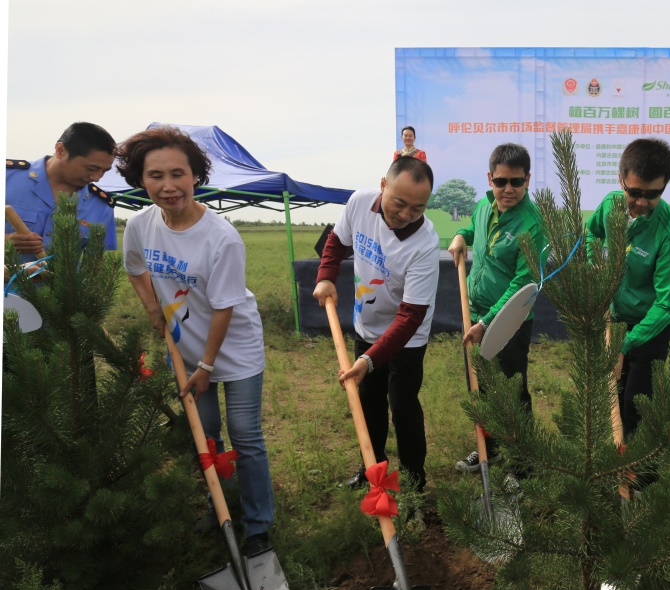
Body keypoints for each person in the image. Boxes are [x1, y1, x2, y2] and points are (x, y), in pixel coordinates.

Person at [117, 127, 276, 557]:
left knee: (244, 435)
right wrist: (152, 306)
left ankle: (259, 525)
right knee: (204, 434)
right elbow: (135, 268)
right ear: (140, 180)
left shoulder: (221, 237)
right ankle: (219, 506)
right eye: (155, 176)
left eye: (177, 174)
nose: (168, 186)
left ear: (194, 176)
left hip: (233, 347)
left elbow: (224, 308)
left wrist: (206, 367)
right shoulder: (140, 226)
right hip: (183, 348)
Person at [313, 156, 439, 494]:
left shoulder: (425, 244)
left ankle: (414, 483)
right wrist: (326, 277)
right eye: (399, 203)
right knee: (368, 403)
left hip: (406, 339)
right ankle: (373, 471)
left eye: (417, 208)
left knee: (403, 408)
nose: (405, 214)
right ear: (384, 186)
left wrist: (369, 361)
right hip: (366, 327)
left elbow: (410, 315)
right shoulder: (358, 203)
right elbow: (337, 242)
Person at [584, 137, 670, 486]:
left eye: (652, 194)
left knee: (638, 405)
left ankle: (642, 481)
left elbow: (666, 303)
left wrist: (625, 347)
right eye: (635, 192)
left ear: (664, 187)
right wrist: (594, 263)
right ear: (620, 179)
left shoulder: (669, 232)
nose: (641, 202)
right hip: (616, 317)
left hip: (652, 326)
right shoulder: (612, 204)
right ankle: (615, 468)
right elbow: (591, 235)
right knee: (610, 398)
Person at [448, 143, 546, 472]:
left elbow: (523, 283)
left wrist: (487, 322)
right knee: (482, 387)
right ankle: (489, 449)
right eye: (501, 181)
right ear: (490, 178)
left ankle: (524, 461)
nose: (508, 190)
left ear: (527, 180)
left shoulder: (532, 224)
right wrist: (462, 235)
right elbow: (473, 229)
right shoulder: (483, 207)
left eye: (516, 182)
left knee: (511, 391)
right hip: (475, 313)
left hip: (510, 320)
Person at [6, 122, 118, 263]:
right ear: (60, 150)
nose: (96, 177)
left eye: (104, 171)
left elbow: (96, 266)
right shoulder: (7, 178)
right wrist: (6, 240)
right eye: (91, 168)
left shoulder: (101, 205)